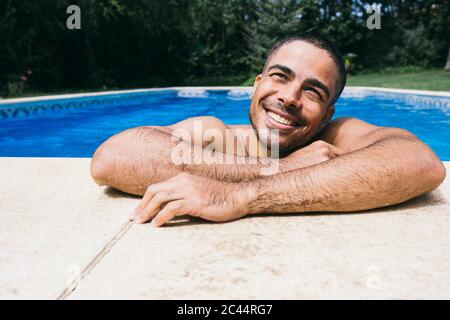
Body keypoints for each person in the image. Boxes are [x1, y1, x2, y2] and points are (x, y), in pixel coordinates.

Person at [90, 34, 446, 227]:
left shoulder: (335, 135)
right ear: (258, 84)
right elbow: (114, 157)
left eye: (313, 91)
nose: (289, 98)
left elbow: (421, 163)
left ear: (326, 114)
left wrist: (241, 197)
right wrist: (283, 168)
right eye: (280, 77)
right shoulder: (220, 135)